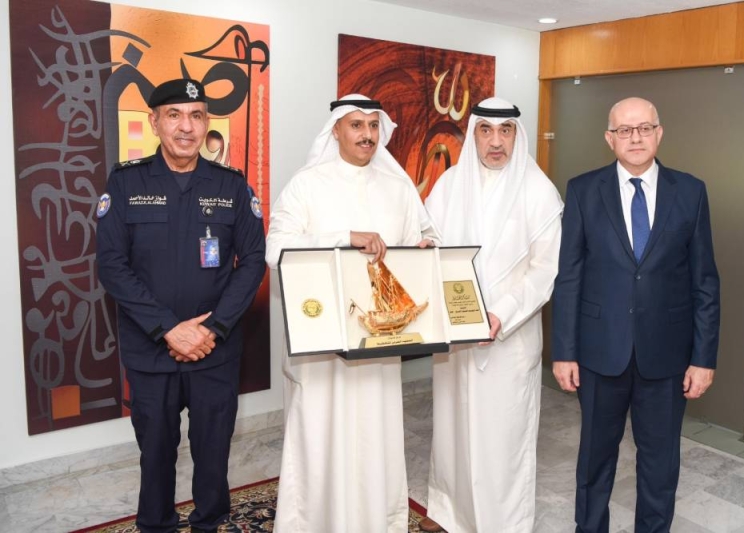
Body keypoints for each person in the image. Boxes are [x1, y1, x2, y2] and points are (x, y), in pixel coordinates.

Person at [96, 78, 266, 533]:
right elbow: (111, 265)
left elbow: (253, 261)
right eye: (174, 115)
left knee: (213, 450)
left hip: (215, 351)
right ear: (154, 122)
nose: (186, 127)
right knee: (155, 452)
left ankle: (210, 523)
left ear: (207, 124)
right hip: (151, 350)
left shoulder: (232, 186)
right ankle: (156, 525)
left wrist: (212, 329)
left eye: (196, 116)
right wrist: (169, 329)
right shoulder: (126, 183)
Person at [265, 94, 439, 533]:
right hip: (322, 342)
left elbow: (419, 244)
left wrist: (422, 253)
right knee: (321, 433)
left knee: (374, 434)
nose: (367, 135)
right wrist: (345, 237)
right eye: (356, 125)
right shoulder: (307, 184)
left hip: (377, 342)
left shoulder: (398, 189)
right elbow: (275, 249)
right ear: (336, 130)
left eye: (373, 126)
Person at [551, 97, 720, 533]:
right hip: (599, 353)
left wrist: (703, 358)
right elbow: (568, 277)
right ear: (609, 139)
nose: (636, 138)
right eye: (624, 130)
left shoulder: (691, 192)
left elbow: (705, 281)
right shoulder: (583, 190)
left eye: (644, 128)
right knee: (594, 461)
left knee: (661, 466)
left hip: (667, 357)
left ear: (659, 133)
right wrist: (564, 352)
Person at [422, 97, 564, 532]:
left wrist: (500, 313)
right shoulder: (450, 184)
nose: (496, 142)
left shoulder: (539, 191)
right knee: (452, 429)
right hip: (455, 334)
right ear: (474, 135)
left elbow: (545, 270)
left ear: (517, 136)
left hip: (509, 337)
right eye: (486, 130)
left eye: (505, 131)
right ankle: (448, 511)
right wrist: (425, 249)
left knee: (502, 437)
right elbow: (431, 240)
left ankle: (501, 523)